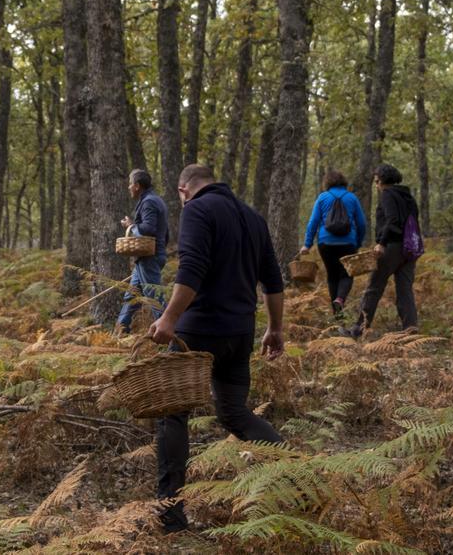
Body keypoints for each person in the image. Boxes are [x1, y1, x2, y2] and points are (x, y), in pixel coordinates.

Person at [148, 164, 285, 533]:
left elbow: (191, 268)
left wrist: (169, 319)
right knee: (235, 413)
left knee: (172, 413)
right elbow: (272, 280)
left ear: (183, 189)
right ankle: (295, 470)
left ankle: (170, 514)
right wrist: (274, 328)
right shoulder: (254, 217)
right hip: (239, 334)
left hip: (199, 333)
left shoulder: (197, 209)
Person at [345, 163, 420, 339]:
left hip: (392, 247)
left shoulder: (387, 194)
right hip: (410, 248)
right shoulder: (408, 196)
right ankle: (411, 330)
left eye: (376, 180)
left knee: (374, 287)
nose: (376, 184)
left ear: (381, 180)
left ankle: (358, 329)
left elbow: (393, 221)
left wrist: (381, 243)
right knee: (405, 290)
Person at [299, 169, 368, 316]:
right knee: (347, 274)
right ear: (344, 182)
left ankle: (337, 316)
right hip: (348, 242)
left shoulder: (322, 197)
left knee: (332, 275)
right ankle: (340, 299)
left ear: (327, 182)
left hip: (326, 242)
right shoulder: (352, 198)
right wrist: (358, 242)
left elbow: (313, 222)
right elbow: (361, 224)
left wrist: (307, 244)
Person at [116, 169, 169, 333]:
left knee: (154, 298)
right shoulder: (155, 200)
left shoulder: (149, 202)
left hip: (149, 258)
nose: (129, 187)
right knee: (131, 296)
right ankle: (119, 333)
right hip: (148, 258)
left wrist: (130, 226)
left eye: (130, 184)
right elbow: (165, 233)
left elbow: (148, 229)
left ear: (137, 186)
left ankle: (171, 333)